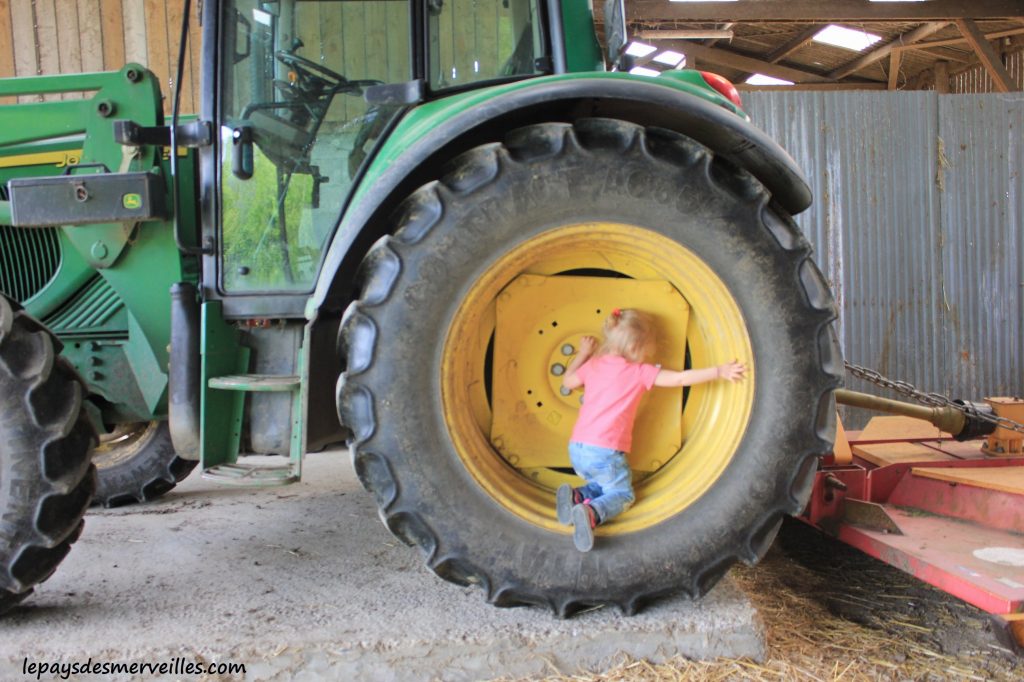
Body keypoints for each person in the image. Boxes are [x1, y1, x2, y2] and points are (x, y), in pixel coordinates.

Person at [557, 308, 746, 552]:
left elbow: (567, 382)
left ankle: (576, 496)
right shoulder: (638, 371)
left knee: (603, 482)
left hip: (577, 449)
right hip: (605, 451)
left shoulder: (593, 365)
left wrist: (583, 353)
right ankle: (593, 512)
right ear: (636, 349)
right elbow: (679, 379)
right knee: (623, 494)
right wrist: (719, 371)